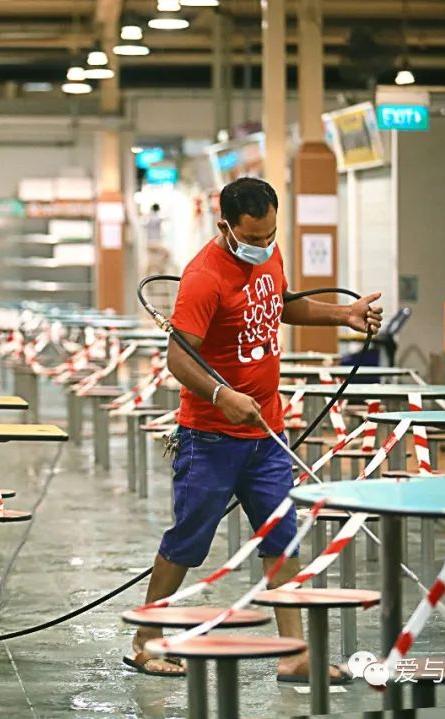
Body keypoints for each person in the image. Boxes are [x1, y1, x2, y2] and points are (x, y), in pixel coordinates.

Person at [125, 177, 383, 681]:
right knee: (189, 539)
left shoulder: (267, 254)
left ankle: (295, 653)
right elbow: (179, 357)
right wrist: (222, 395)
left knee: (281, 538)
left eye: (271, 235)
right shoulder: (204, 277)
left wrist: (343, 314)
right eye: (255, 237)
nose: (264, 246)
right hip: (210, 436)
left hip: (267, 431)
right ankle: (146, 638)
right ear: (225, 225)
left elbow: (282, 304)